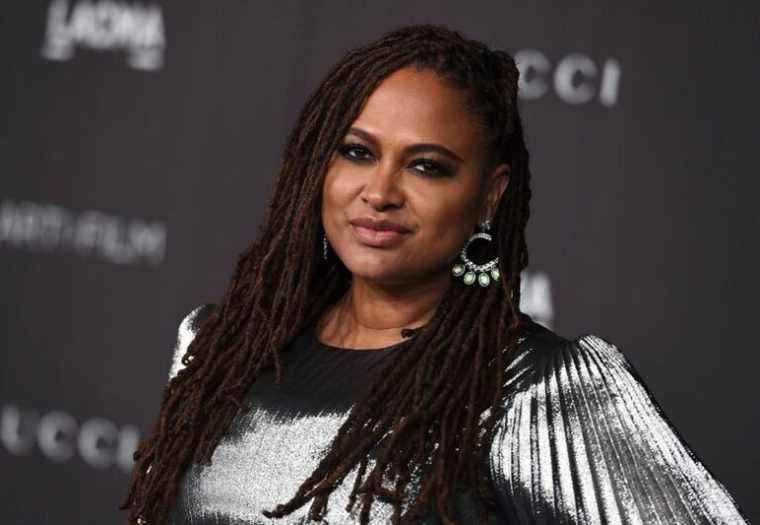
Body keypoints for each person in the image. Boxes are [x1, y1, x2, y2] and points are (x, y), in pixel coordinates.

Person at [120, 24, 748, 525]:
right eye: (357, 152)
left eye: (427, 167)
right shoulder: (219, 346)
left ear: (489, 196)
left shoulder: (530, 389)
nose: (380, 192)